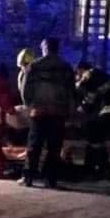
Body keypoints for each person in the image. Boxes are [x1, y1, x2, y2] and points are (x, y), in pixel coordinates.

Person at [20, 37, 74, 189]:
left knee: (34, 145)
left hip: (39, 111)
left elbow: (25, 89)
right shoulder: (66, 67)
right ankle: (51, 179)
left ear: (44, 48)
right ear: (57, 48)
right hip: (58, 112)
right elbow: (72, 91)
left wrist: (29, 105)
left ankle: (28, 177)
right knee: (54, 147)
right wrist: (69, 110)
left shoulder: (34, 66)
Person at [74, 62, 110, 178]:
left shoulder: (89, 75)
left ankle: (95, 167)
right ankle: (100, 166)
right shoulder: (100, 75)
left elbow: (89, 98)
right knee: (96, 135)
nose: (77, 75)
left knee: (93, 134)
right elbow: (95, 96)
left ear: (81, 69)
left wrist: (80, 107)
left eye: (77, 73)